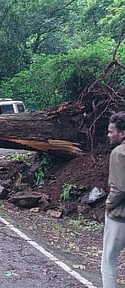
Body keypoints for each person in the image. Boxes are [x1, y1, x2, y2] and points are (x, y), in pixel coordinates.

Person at [102, 111, 125, 287]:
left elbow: (118, 188)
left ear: (122, 133)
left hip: (120, 216)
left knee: (108, 261)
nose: (108, 135)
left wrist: (108, 205)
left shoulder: (119, 153)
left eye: (111, 131)